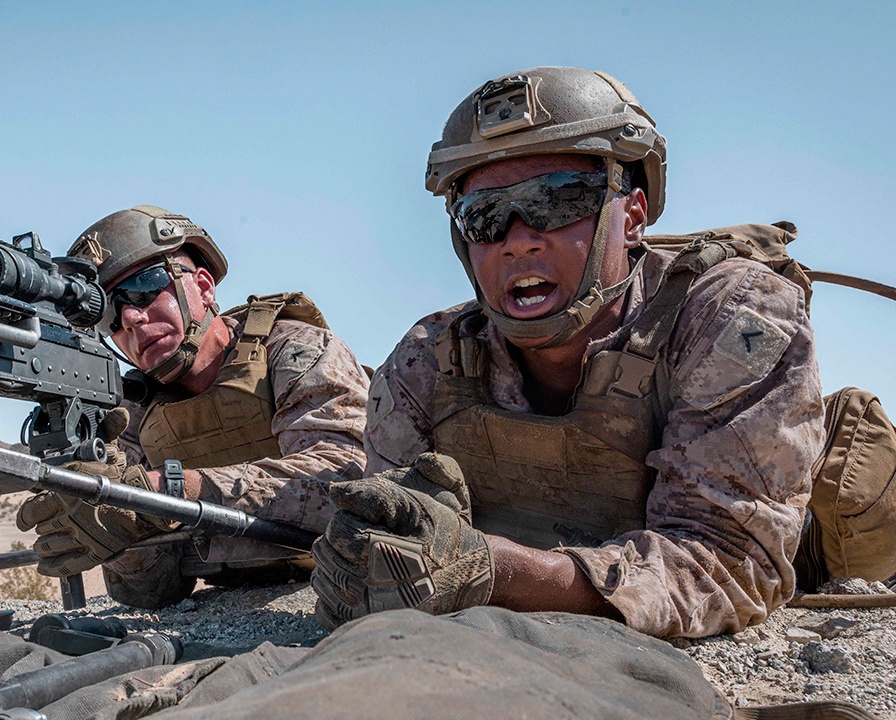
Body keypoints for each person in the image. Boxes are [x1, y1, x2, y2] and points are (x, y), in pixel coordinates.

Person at [311, 66, 826, 638]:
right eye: (484, 216)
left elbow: (727, 563)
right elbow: (389, 540)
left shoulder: (726, 317)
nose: (518, 240)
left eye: (556, 200)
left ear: (631, 217)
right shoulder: (428, 358)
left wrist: (495, 572)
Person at [17, 205, 372, 609]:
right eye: (109, 314)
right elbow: (154, 590)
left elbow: (348, 484)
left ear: (203, 287)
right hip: (228, 606)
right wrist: (114, 522)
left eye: (144, 288)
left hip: (341, 591)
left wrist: (165, 490)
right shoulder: (132, 412)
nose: (131, 318)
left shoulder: (295, 350)